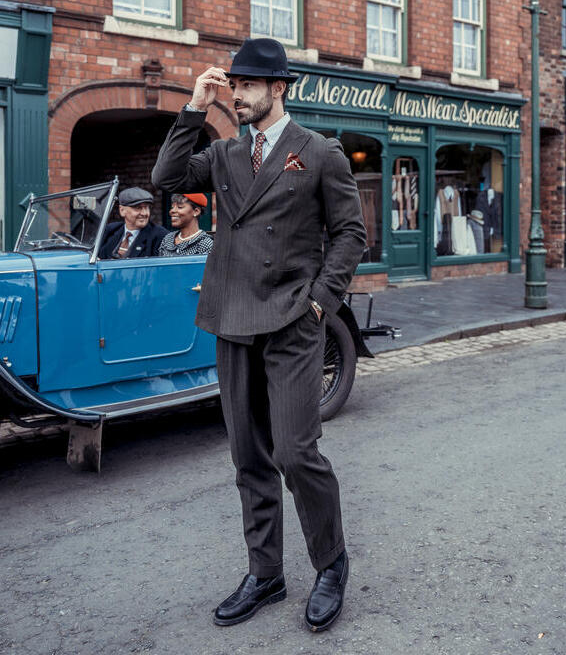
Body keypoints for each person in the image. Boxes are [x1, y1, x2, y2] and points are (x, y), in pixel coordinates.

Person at [152, 37, 366, 633]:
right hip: (232, 318)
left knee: (296, 452)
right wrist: (195, 106)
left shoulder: (319, 152)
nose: (236, 95)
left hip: (293, 321)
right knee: (248, 456)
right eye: (232, 85)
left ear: (277, 88)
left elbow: (351, 235)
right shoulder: (223, 154)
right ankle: (265, 572)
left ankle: (330, 564)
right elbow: (166, 175)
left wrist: (321, 303)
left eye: (246, 86)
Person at [98, 187, 167, 259]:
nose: (144, 213)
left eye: (146, 207)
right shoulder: (110, 230)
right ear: (122, 210)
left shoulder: (160, 236)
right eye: (138, 208)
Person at [159, 193, 213, 257]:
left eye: (180, 207)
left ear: (196, 211)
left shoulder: (205, 244)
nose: (172, 211)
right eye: (172, 207)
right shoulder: (168, 239)